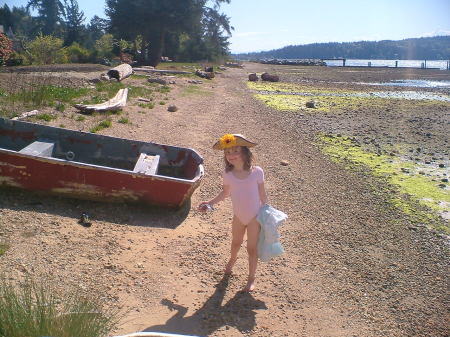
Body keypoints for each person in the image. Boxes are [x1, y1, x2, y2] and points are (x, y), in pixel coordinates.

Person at [199, 134, 268, 292]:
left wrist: (268, 215)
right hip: (238, 216)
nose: (231, 155)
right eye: (227, 153)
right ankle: (232, 259)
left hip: (255, 218)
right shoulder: (228, 174)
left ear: (245, 152)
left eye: (235, 151)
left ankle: (251, 279)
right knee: (235, 242)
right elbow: (225, 193)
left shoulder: (257, 172)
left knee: (252, 248)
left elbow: (263, 196)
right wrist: (209, 203)